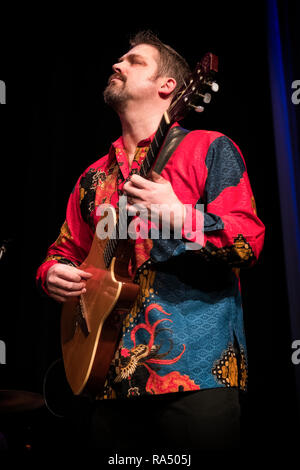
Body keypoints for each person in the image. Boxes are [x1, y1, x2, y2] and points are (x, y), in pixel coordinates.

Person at [36, 31, 265, 451]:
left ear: (169, 86)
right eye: (119, 59)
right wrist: (52, 274)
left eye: (134, 61)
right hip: (107, 380)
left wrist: (180, 215)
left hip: (194, 373)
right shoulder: (93, 179)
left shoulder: (208, 149)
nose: (116, 64)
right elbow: (62, 251)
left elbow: (248, 242)